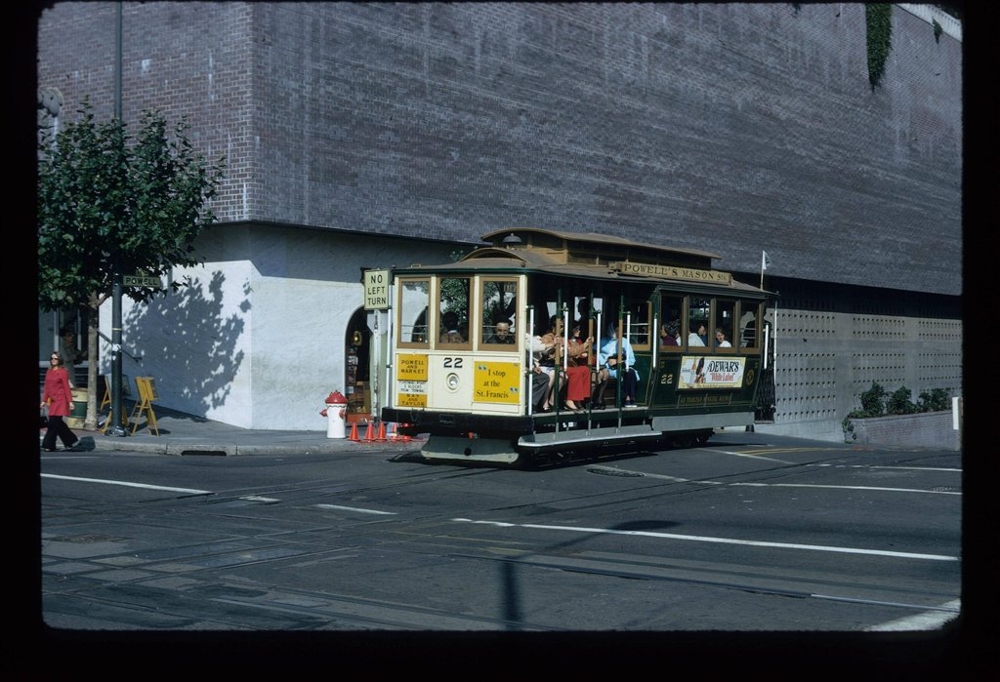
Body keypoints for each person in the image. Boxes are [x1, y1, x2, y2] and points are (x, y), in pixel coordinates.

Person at [40, 351, 80, 452]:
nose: (53, 360)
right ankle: (71, 441)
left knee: (53, 422)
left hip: (61, 400)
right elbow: (47, 387)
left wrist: (70, 402)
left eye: (55, 359)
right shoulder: (49, 371)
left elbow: (66, 387)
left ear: (59, 360)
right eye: (52, 358)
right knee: (57, 423)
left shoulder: (63, 372)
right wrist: (44, 400)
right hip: (52, 401)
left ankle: (48, 445)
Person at [595, 321, 640, 407]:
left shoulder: (625, 342)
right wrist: (605, 361)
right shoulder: (603, 342)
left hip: (621, 366)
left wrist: (620, 362)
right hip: (608, 368)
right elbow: (595, 353)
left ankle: (630, 398)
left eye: (620, 330)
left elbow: (632, 359)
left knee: (630, 372)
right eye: (616, 330)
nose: (618, 332)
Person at [563, 322, 594, 411]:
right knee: (576, 372)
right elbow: (571, 352)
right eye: (577, 329)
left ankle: (579, 399)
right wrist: (585, 345)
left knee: (585, 370)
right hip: (565, 365)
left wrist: (587, 347)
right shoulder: (564, 340)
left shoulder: (577, 340)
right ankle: (569, 400)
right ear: (571, 330)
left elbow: (580, 351)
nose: (579, 331)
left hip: (574, 364)